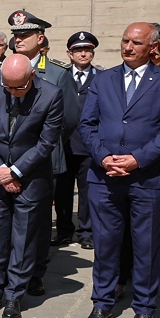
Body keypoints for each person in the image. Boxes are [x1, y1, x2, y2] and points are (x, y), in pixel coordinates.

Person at [79, 22, 160, 318]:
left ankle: (144, 309)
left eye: (135, 42)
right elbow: (88, 125)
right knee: (106, 244)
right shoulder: (104, 79)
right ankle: (102, 302)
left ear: (152, 46)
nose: (127, 46)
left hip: (147, 179)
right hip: (105, 178)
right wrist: (103, 157)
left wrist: (138, 158)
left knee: (146, 246)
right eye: (124, 40)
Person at [0, 54, 64, 318]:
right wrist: (0, 171)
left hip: (30, 178)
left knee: (23, 239)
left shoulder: (51, 95)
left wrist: (15, 171)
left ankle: (14, 295)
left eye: (18, 87)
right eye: (8, 86)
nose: (12, 92)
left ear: (32, 77)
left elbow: (47, 142)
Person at [0, 11, 79, 297]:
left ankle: (35, 272)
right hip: (6, 160)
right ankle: (9, 268)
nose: (18, 39)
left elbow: (69, 119)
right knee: (8, 219)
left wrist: (46, 145)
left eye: (25, 35)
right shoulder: (3, 68)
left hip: (42, 157)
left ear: (40, 38)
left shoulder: (57, 73)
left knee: (39, 221)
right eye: (16, 35)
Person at [56, 31, 100, 251]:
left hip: (89, 145)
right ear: (69, 54)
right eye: (78, 50)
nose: (83, 53)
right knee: (62, 191)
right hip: (64, 144)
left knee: (87, 191)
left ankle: (86, 232)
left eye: (87, 50)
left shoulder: (102, 78)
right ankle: (64, 231)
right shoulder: (61, 76)